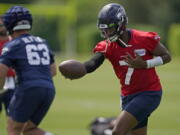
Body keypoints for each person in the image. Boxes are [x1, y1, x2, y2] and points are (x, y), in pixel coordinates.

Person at [61, 3, 171, 135]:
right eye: (104, 30)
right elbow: (92, 64)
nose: (107, 33)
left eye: (110, 29)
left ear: (121, 24)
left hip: (148, 93)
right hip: (127, 96)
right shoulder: (107, 46)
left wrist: (146, 64)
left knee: (118, 131)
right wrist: (81, 69)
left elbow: (167, 56)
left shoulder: (143, 38)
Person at [0, 6, 57, 135]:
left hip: (28, 88)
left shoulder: (12, 45)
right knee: (28, 129)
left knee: (12, 128)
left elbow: (1, 72)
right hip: (49, 89)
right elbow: (53, 71)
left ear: (9, 24)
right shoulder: (42, 42)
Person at [0, 16, 16, 115]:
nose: (2, 28)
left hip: (11, 82)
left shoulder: (14, 42)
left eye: (3, 25)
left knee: (13, 117)